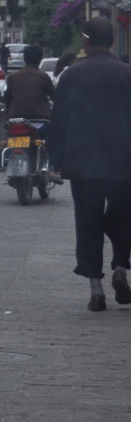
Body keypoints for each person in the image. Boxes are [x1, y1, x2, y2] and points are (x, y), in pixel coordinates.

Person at [50, 17, 131, 311]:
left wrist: (55, 159)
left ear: (85, 41)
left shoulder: (72, 75)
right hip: (123, 162)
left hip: (84, 163)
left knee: (88, 221)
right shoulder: (127, 73)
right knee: (123, 217)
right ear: (111, 41)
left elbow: (59, 120)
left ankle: (96, 291)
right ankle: (120, 268)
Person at [5, 44, 54, 121]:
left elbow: (7, 98)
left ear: (24, 59)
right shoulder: (43, 76)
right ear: (40, 59)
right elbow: (53, 95)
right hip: (40, 118)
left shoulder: (12, 77)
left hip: (15, 117)